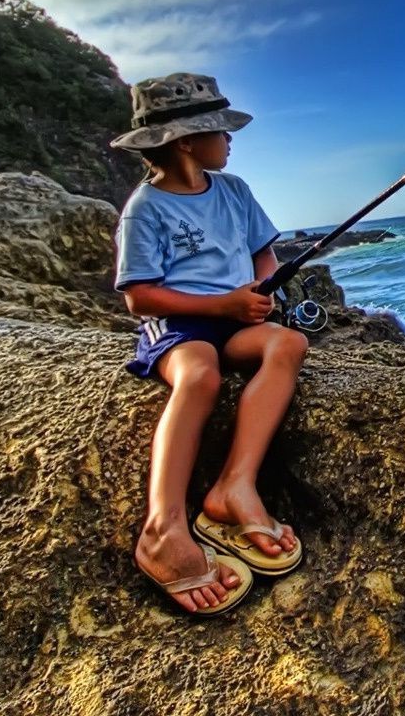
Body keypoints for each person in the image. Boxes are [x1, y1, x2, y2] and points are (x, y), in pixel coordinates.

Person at [110, 73, 307, 617]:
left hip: (236, 319)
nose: (230, 140)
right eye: (219, 131)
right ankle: (162, 528)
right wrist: (219, 307)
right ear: (185, 143)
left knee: (285, 346)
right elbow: (140, 298)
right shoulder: (145, 209)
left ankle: (233, 488)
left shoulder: (235, 190)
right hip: (180, 324)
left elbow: (263, 254)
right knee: (200, 375)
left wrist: (263, 291)